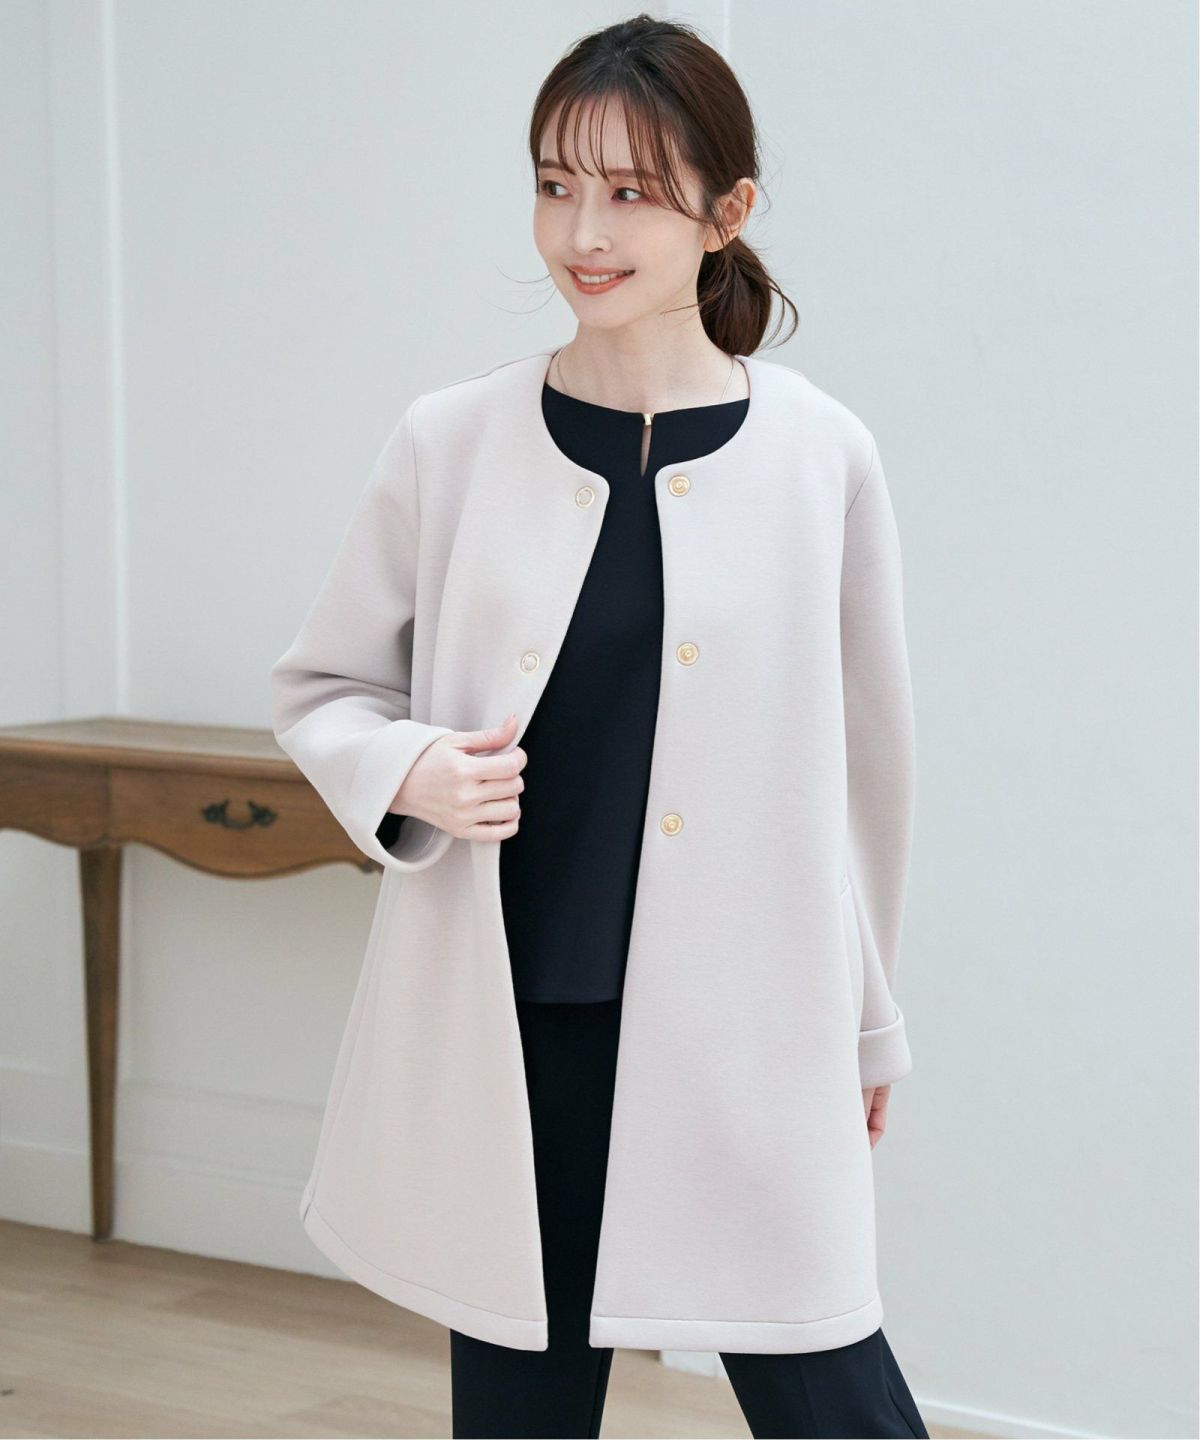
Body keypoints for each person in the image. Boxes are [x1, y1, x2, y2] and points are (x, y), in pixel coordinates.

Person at [273, 13, 927, 1440]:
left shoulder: (821, 457)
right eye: (556, 184)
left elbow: (867, 783)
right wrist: (411, 770)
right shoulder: (450, 441)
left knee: (831, 1392)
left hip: (750, 1023)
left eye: (632, 192)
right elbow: (323, 689)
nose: (584, 230)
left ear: (725, 212)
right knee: (522, 1404)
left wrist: (868, 1028)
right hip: (523, 1016)